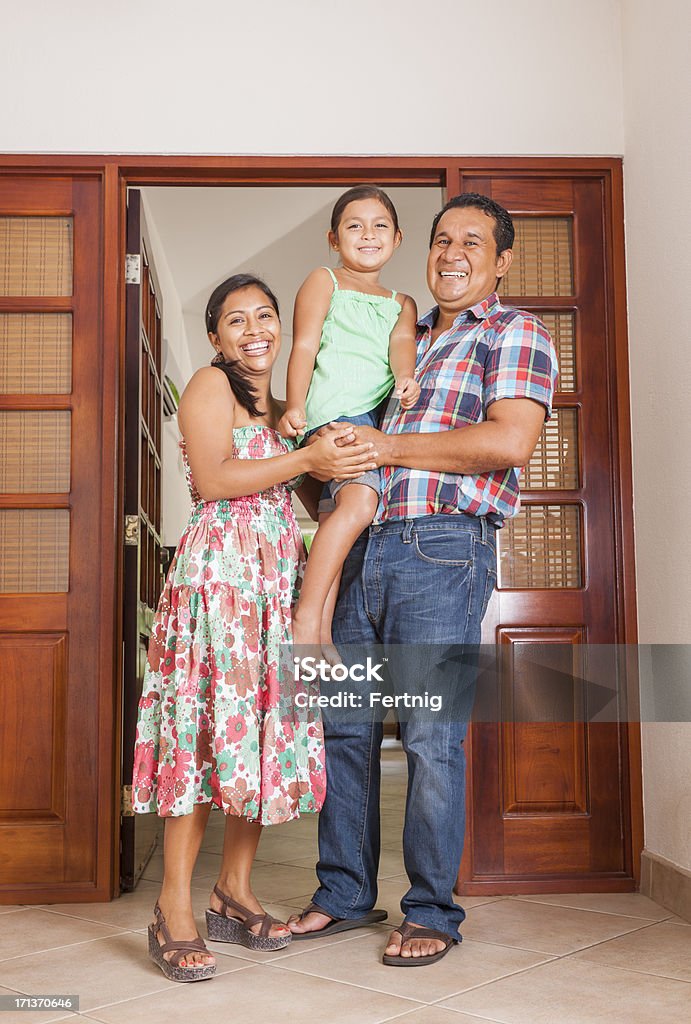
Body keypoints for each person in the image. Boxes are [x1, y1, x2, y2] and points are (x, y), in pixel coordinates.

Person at [288, 194, 559, 966]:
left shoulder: (512, 332)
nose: (452, 253)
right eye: (442, 239)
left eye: (472, 242)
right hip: (363, 550)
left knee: (431, 737)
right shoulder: (397, 340)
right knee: (343, 728)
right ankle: (342, 895)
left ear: (500, 260)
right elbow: (347, 453)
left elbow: (507, 441)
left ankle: (431, 912)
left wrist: (385, 447)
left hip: (442, 548)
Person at [131, 273, 378, 983]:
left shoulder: (283, 408)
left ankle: (232, 891)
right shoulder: (211, 386)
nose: (253, 330)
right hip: (220, 578)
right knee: (207, 735)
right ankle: (173, 906)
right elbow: (213, 479)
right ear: (216, 338)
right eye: (234, 320)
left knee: (256, 737)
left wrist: (339, 462)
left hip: (272, 583)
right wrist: (304, 456)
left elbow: (307, 486)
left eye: (263, 315)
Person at [279, 185, 420, 658]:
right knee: (360, 507)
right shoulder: (325, 280)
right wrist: (295, 407)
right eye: (354, 226)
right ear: (334, 238)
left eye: (380, 226)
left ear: (397, 239)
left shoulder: (402, 302)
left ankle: (319, 631)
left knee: (335, 521)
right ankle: (304, 617)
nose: (368, 234)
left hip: (371, 419)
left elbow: (403, 345)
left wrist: (405, 376)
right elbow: (304, 345)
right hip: (335, 416)